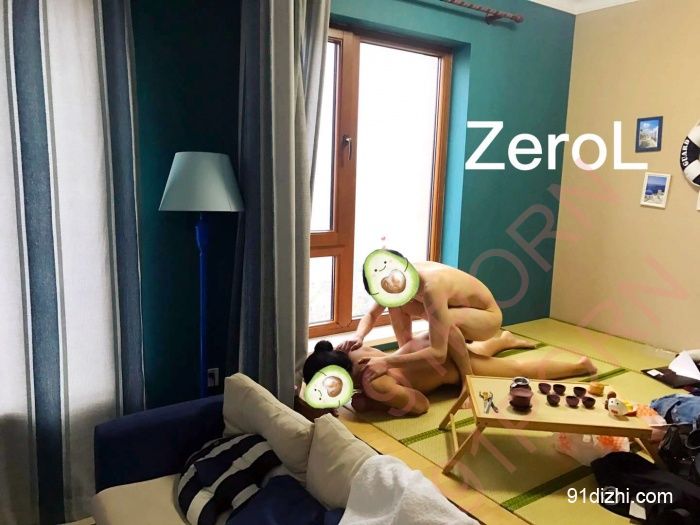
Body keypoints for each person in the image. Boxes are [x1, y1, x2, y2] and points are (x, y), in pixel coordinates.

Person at [340, 249, 596, 386]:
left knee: (451, 330)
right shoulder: (395, 282)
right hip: (460, 318)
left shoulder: (431, 288)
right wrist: (358, 337)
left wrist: (387, 363)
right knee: (399, 308)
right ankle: (504, 341)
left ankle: (468, 378)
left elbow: (438, 353)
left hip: (486, 319)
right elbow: (371, 313)